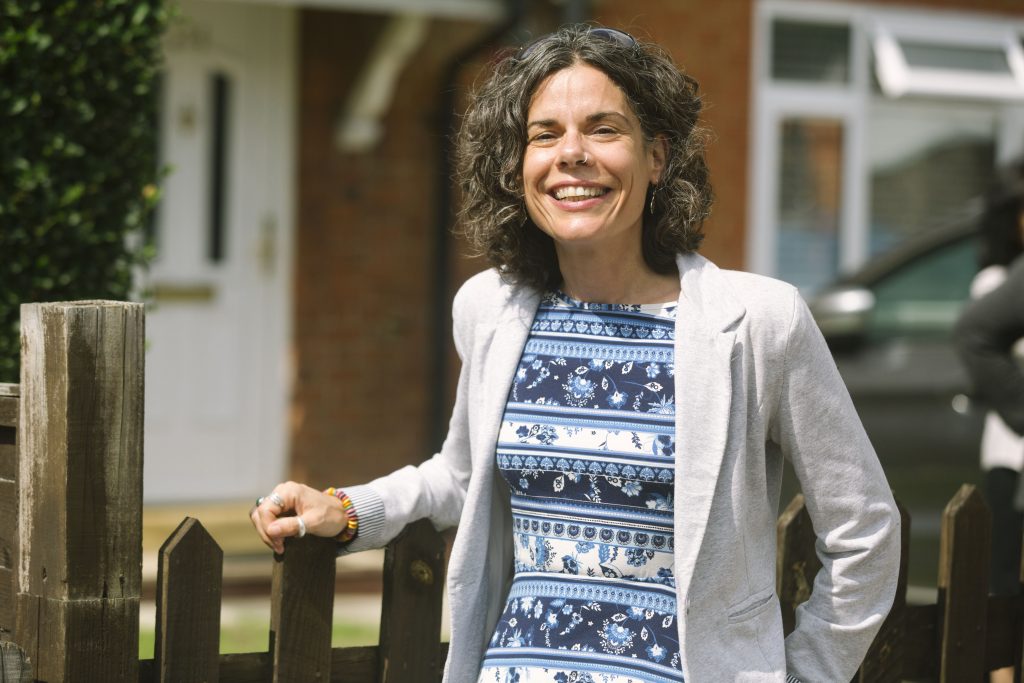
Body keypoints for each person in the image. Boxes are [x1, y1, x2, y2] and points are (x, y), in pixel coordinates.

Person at [250, 24, 900, 682]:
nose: (571, 154)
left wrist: (808, 674)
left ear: (656, 156)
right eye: (544, 134)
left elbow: (864, 529)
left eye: (604, 129)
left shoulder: (761, 321)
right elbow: (464, 475)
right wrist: (349, 508)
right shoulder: (490, 309)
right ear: (517, 166)